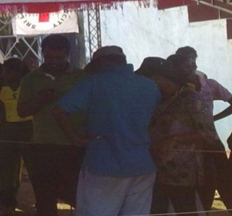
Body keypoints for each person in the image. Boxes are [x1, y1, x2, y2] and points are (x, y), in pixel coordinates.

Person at [52, 46, 160, 216]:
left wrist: (75, 138)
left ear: (102, 62)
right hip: (142, 164)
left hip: (103, 165)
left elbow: (59, 111)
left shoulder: (94, 82)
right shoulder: (149, 85)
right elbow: (153, 119)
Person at [17, 35, 86, 216]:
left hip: (74, 146)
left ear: (68, 55)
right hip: (42, 146)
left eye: (59, 58)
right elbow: (21, 111)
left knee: (77, 195)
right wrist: (39, 99)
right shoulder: (30, 79)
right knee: (45, 199)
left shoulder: (82, 77)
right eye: (49, 57)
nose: (54, 62)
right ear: (42, 54)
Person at [169, 51, 232, 214]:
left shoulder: (206, 84)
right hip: (194, 143)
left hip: (207, 140)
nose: (191, 67)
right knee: (205, 184)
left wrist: (212, 119)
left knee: (222, 182)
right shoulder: (178, 88)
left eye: (192, 63)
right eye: (188, 64)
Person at [139, 57, 209, 215]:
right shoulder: (160, 99)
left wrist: (175, 139)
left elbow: (208, 134)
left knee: (184, 209)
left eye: (149, 79)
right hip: (157, 169)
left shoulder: (191, 98)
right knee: (157, 210)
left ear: (160, 77)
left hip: (181, 173)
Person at [0, 58, 32, 214]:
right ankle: (7, 202)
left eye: (10, 71)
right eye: (5, 71)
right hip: (7, 127)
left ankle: (35, 199)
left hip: (29, 126)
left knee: (32, 165)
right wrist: (2, 112)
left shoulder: (28, 82)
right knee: (5, 168)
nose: (6, 74)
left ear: (19, 72)